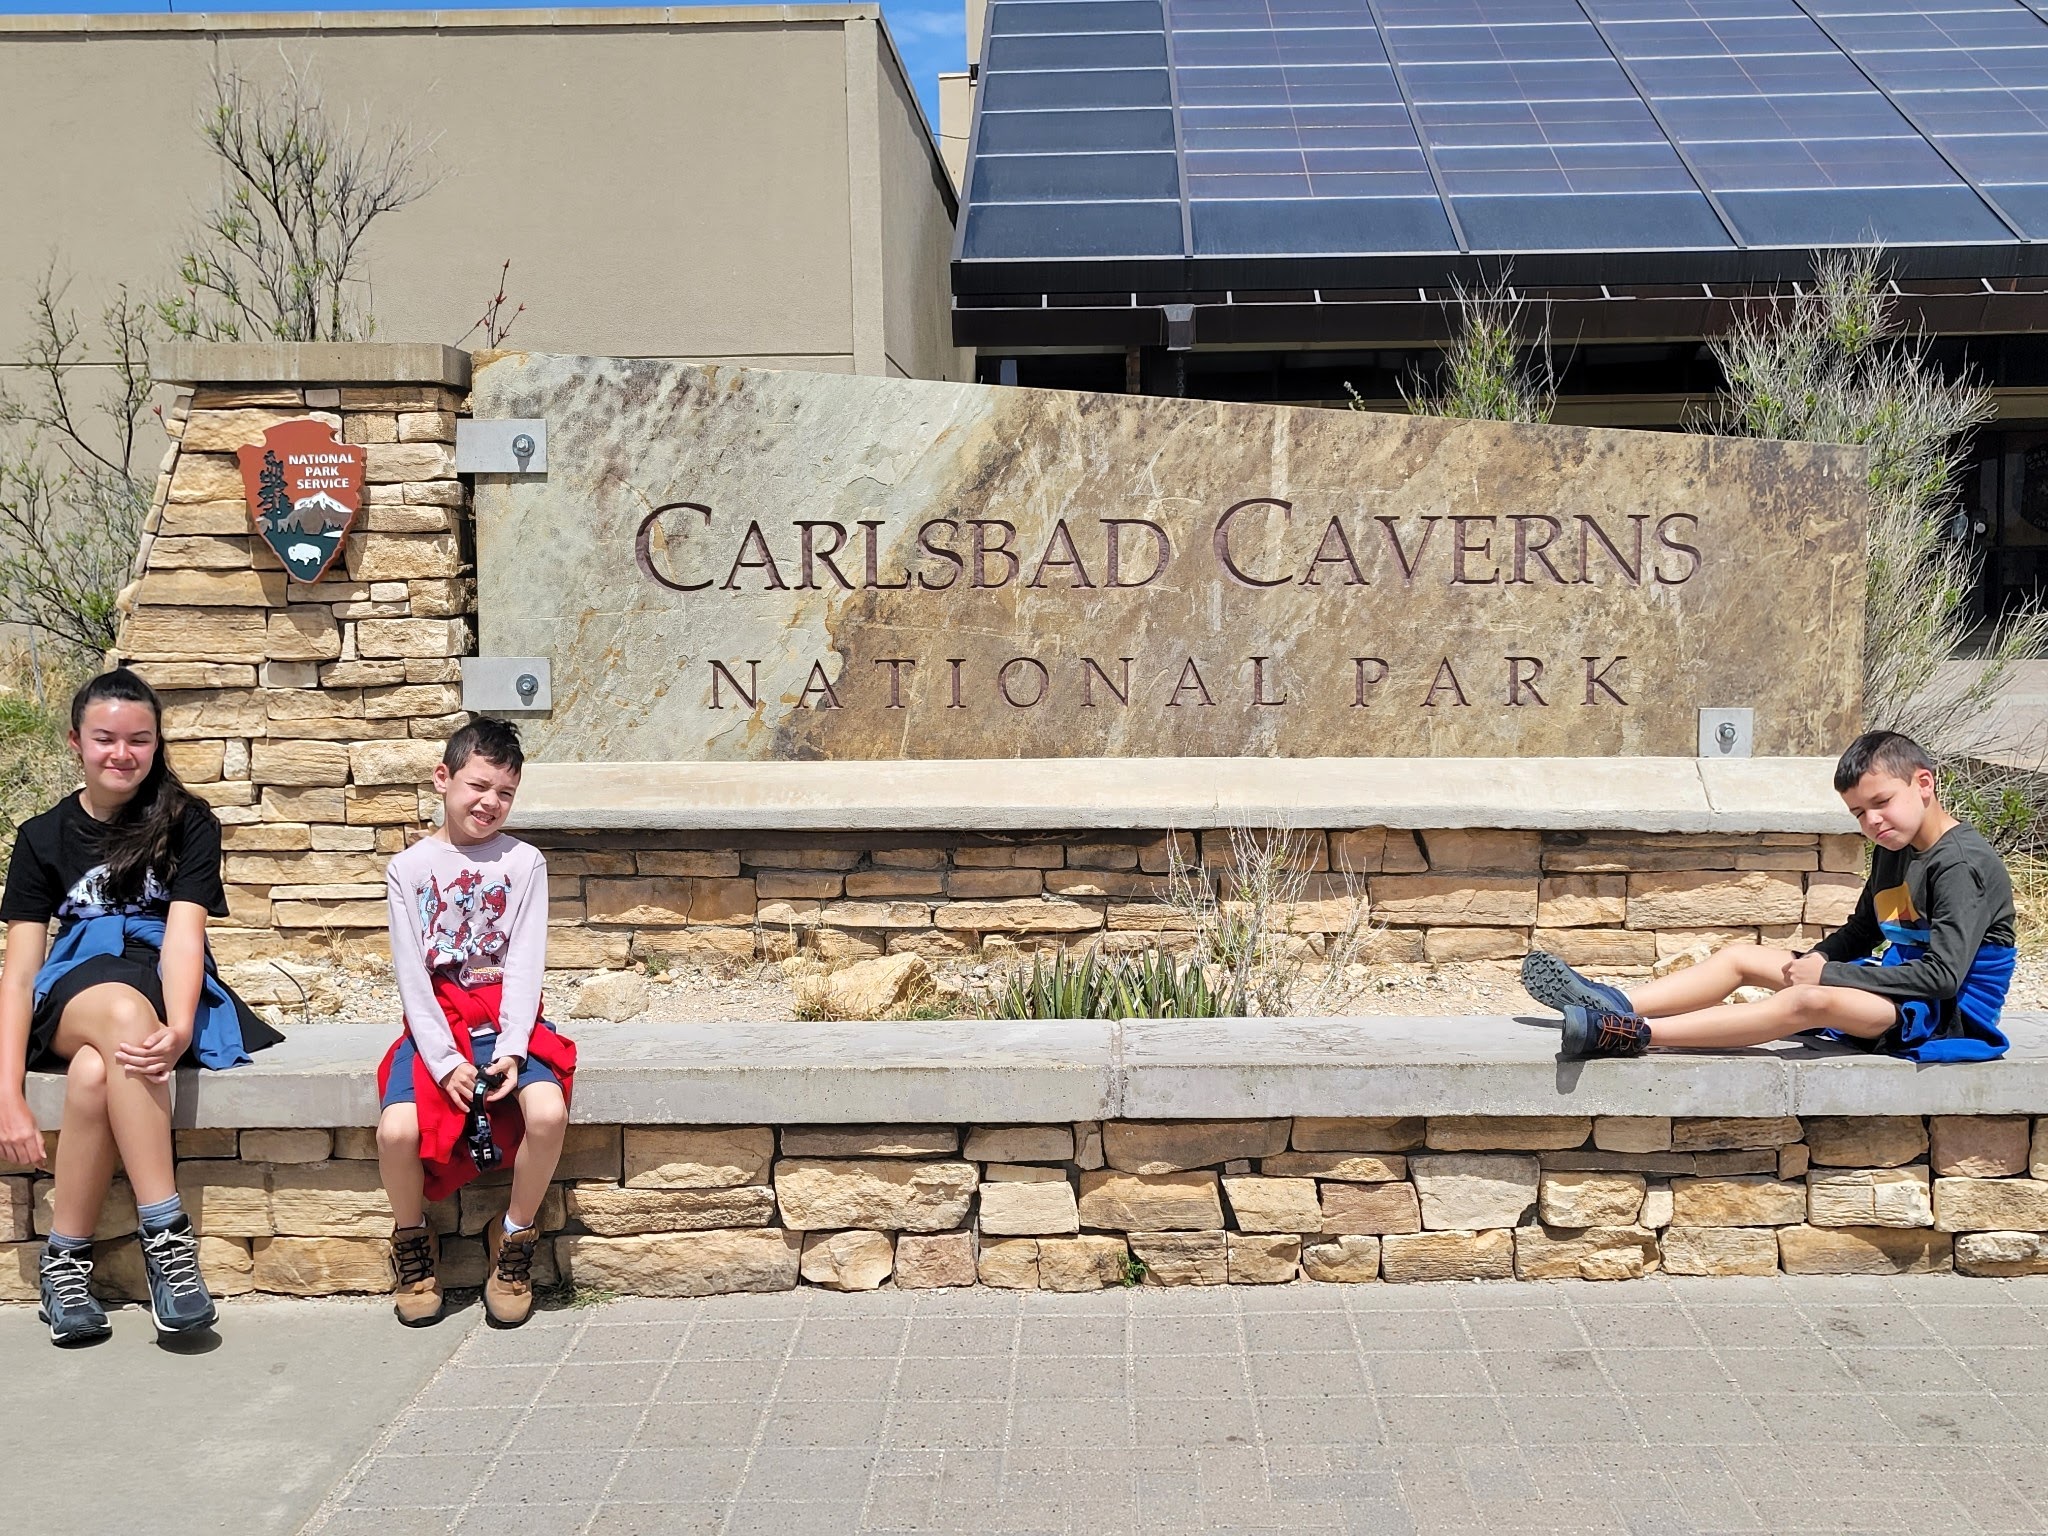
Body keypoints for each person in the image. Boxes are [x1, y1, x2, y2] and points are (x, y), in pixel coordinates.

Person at [0, 668, 281, 1345]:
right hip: (71, 993)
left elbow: (185, 938)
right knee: (123, 1019)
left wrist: (181, 1025)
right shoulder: (41, 837)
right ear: (76, 742)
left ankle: (63, 1262)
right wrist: (8, 1094)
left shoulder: (188, 823)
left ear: (156, 744)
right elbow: (18, 975)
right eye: (105, 739)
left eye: (139, 740)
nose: (121, 754)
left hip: (156, 982)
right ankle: (168, 1240)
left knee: (99, 1072)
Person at [1524, 729, 2016, 1063]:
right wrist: (1823, 955)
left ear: (1923, 783)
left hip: (1944, 1016)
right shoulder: (1896, 844)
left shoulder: (1961, 864)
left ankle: (1634, 1035)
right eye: (1858, 814)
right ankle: (1617, 1002)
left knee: (1806, 998)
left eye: (1880, 803)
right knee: (1740, 958)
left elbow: (1944, 977)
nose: (1871, 822)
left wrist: (1825, 974)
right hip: (1896, 988)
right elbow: (1865, 931)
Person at [376, 717, 574, 1328]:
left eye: (505, 793)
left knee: (546, 1113)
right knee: (397, 1132)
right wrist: (444, 1061)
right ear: (444, 778)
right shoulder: (409, 869)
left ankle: (512, 1237)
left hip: (506, 1022)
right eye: (478, 786)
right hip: (438, 1025)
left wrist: (513, 1049)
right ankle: (414, 1241)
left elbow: (525, 961)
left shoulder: (524, 863)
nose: (490, 803)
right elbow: (412, 975)